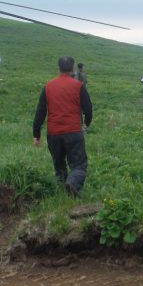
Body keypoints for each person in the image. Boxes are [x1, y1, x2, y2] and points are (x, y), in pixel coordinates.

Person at [33, 56, 93, 197]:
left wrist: (36, 135)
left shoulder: (48, 87)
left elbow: (40, 112)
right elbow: (88, 109)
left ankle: (62, 191)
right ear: (72, 68)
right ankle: (72, 185)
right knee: (79, 165)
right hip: (73, 132)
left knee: (59, 165)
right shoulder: (78, 86)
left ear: (58, 68)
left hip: (53, 134)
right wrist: (86, 123)